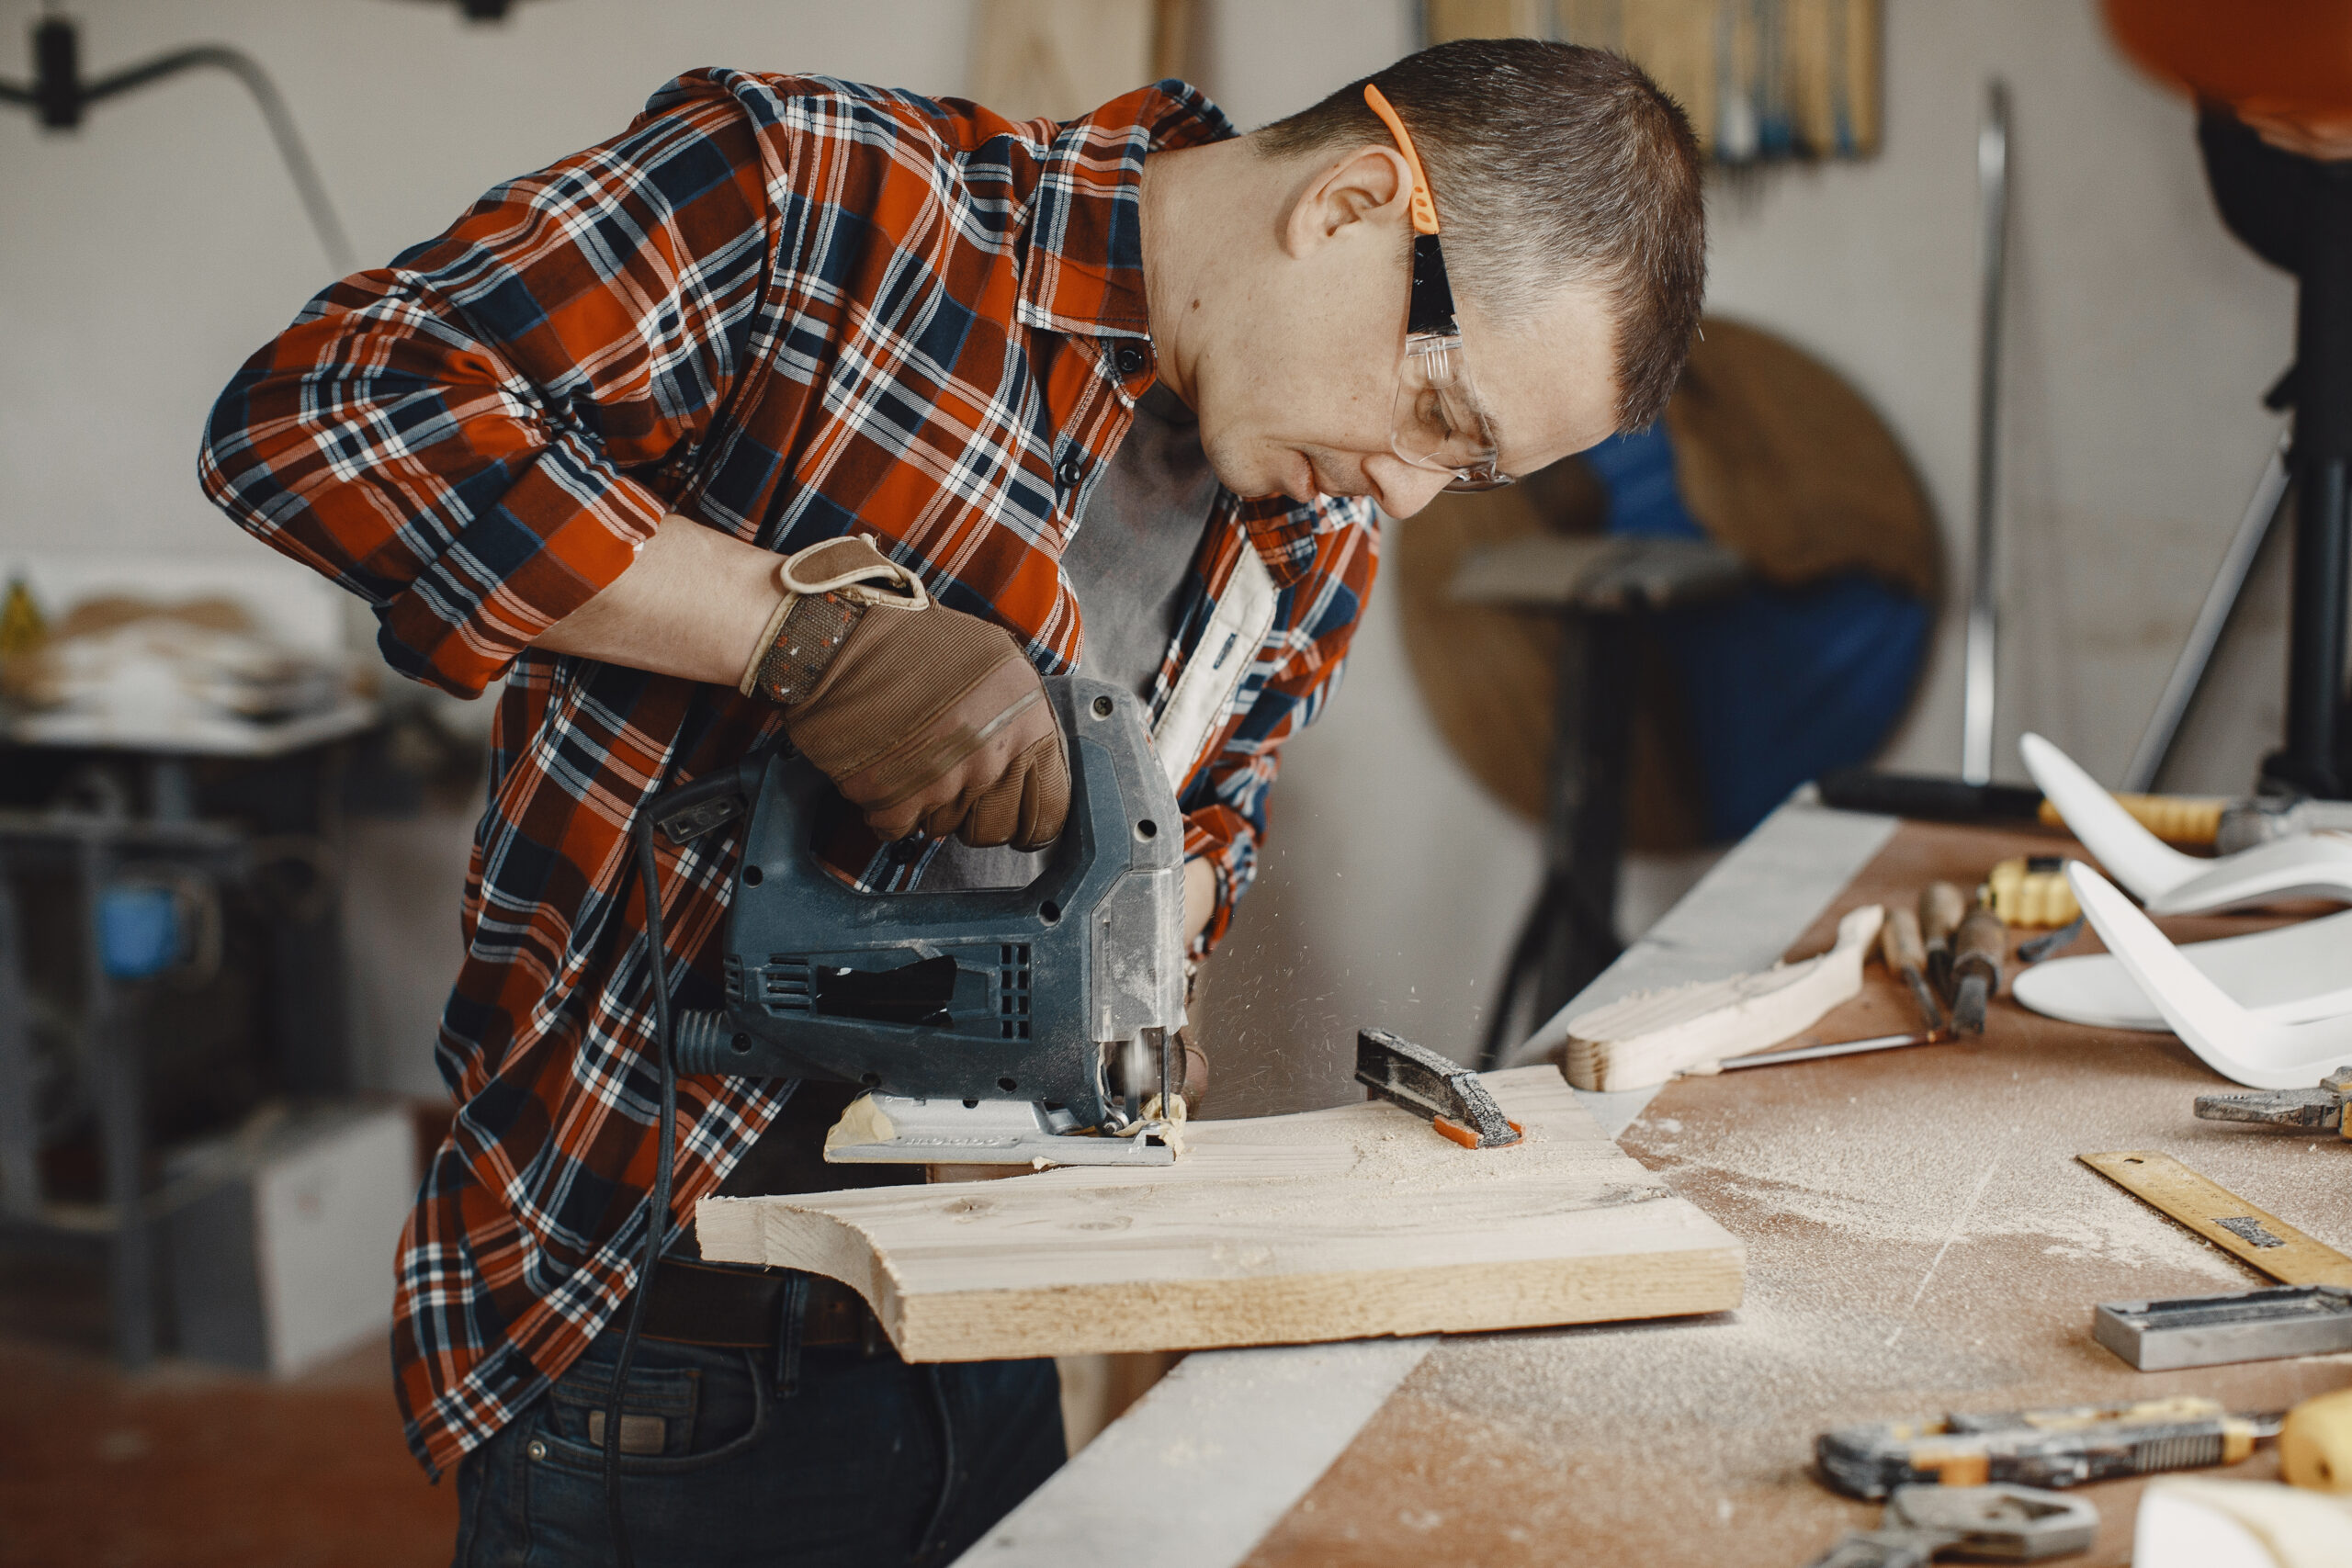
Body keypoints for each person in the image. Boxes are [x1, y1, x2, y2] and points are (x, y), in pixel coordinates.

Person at [199, 35, 1703, 1567]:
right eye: (1445, 416)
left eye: (1477, 475)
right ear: (1355, 205)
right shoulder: (821, 207)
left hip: (992, 1343)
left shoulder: (1311, 530)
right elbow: (323, 414)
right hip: (664, 1358)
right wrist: (792, 635)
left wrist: (1153, 912)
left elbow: (1214, 818)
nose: (1407, 492)